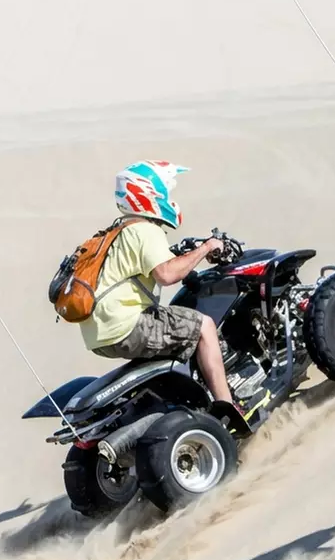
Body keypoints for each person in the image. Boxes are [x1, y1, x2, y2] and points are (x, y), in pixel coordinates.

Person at [78, 160, 249, 423]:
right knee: (204, 326)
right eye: (165, 191)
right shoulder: (145, 230)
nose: (169, 198)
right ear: (149, 194)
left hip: (98, 335)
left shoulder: (116, 232)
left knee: (178, 328)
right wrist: (206, 248)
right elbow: (167, 274)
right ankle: (227, 406)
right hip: (126, 325)